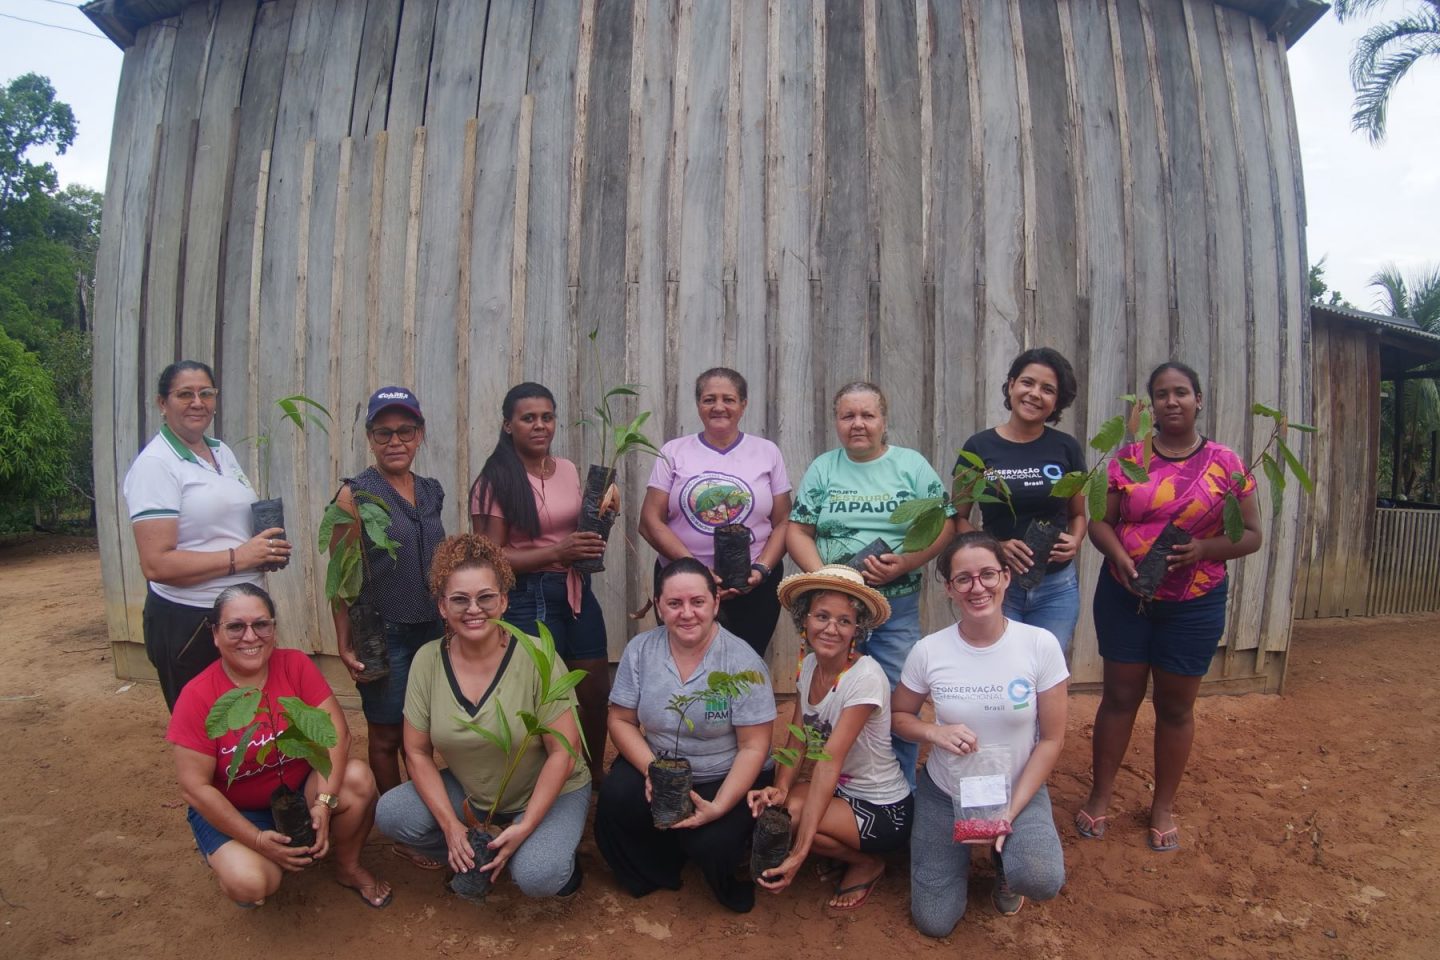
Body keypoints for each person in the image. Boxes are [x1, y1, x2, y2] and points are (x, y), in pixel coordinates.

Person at [1076, 361, 1261, 852]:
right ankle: (1100, 795)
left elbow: (1252, 535)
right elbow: (1099, 523)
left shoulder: (1228, 463)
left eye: (1181, 392)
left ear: (1199, 399)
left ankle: (1162, 805)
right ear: (1151, 405)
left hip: (1194, 602)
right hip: (1124, 595)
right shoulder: (1127, 461)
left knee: (1176, 707)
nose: (1171, 401)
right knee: (1118, 697)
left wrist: (1203, 550)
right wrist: (1120, 559)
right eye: (1161, 394)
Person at [374, 534, 588, 898]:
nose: (474, 609)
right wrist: (451, 827)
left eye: (485, 597)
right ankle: (478, 854)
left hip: (548, 792)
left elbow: (563, 753)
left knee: (538, 876)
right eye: (459, 599)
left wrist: (527, 825)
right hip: (475, 794)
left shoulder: (537, 655)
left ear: (503, 601)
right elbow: (417, 752)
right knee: (393, 813)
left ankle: (530, 851)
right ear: (442, 607)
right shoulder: (427, 660)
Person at [167, 583, 390, 908]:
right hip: (237, 809)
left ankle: (348, 866)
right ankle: (246, 852)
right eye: (235, 627)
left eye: (261, 624)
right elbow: (195, 788)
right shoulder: (198, 695)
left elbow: (336, 736)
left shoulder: (294, 665)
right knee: (252, 883)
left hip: (300, 794)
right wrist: (256, 839)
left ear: (273, 628)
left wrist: (323, 804)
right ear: (215, 633)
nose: (250, 636)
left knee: (357, 779)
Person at [892, 531, 1067, 934]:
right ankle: (955, 866)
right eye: (964, 579)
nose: (978, 587)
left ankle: (1007, 868)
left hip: (1017, 787)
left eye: (988, 574)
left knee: (1039, 877)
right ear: (949, 588)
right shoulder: (930, 651)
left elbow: (1053, 740)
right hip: (947, 790)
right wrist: (934, 732)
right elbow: (899, 716)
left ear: (1006, 577)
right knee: (934, 921)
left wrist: (1008, 813)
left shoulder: (1039, 645)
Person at [787, 381, 955, 788]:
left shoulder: (911, 466)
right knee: (831, 693)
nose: (857, 424)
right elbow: (798, 531)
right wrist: (829, 579)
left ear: (884, 421)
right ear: (836, 422)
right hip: (836, 612)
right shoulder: (824, 468)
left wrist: (905, 563)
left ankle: (898, 792)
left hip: (895, 604)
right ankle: (840, 787)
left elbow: (944, 523)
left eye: (867, 415)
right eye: (848, 416)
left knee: (899, 697)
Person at [594, 557, 777, 913]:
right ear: (659, 607)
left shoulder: (742, 662)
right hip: (662, 763)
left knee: (713, 843)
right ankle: (655, 868)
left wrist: (720, 806)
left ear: (716, 602)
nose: (687, 613)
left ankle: (719, 855)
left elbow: (754, 746)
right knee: (616, 799)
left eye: (697, 602)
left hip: (725, 773)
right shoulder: (641, 651)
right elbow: (620, 720)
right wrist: (653, 771)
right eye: (674, 604)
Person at [124, 360, 292, 711]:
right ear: (162, 403)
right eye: (184, 394)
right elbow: (156, 563)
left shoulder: (220, 451)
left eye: (206, 393)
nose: (197, 402)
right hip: (192, 623)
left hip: (240, 614)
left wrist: (265, 549)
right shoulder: (156, 465)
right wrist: (240, 558)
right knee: (208, 728)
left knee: (250, 722)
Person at [748, 565, 912, 911]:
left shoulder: (864, 678)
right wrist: (781, 788)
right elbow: (797, 740)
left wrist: (799, 851)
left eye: (844, 621)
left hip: (881, 806)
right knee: (780, 806)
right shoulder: (808, 665)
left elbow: (828, 760)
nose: (831, 629)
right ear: (804, 619)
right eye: (822, 616)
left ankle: (866, 862)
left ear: (857, 629)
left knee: (791, 818)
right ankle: (834, 846)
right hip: (842, 792)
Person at [329, 386, 446, 871]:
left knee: (427, 730)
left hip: (434, 631)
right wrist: (343, 637)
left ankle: (423, 811)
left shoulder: (432, 490)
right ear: (370, 437)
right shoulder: (354, 494)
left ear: (418, 435)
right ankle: (400, 824)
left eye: (405, 430)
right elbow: (340, 570)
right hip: (383, 630)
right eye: (384, 432)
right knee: (385, 736)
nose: (395, 440)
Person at [470, 383, 610, 785]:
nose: (539, 425)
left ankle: (592, 776)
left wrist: (600, 522)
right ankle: (547, 783)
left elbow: (575, 531)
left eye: (546, 417)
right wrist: (556, 554)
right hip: (527, 597)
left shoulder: (565, 469)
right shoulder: (494, 481)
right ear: (508, 425)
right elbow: (489, 558)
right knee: (543, 698)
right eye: (528, 418)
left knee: (595, 690)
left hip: (577, 589)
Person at [640, 367, 792, 657]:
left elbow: (783, 521)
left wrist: (761, 570)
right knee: (684, 661)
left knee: (745, 664)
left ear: (743, 404)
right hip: (684, 584)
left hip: (753, 587)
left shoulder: (767, 452)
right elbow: (649, 521)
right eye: (709, 399)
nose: (719, 407)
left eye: (729, 399)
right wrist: (697, 572)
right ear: (698, 405)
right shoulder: (673, 451)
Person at [957, 348, 1087, 655]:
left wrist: (1077, 539)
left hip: (1057, 586)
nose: (1034, 394)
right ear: (1012, 384)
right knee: (1001, 670)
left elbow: (1078, 514)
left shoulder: (1066, 447)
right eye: (1027, 382)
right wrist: (995, 546)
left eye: (1048, 389)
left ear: (1057, 401)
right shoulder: (978, 447)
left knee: (1047, 673)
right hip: (998, 584)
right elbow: (957, 519)